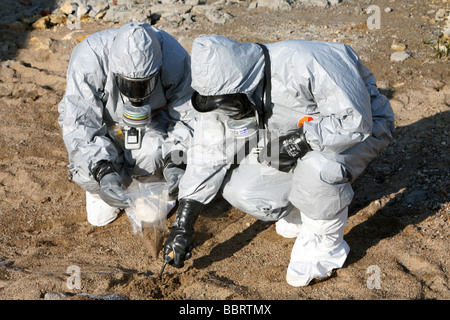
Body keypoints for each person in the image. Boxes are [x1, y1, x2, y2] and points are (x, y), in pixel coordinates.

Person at [163, 35, 395, 287]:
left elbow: (354, 122)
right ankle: (303, 205)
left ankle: (325, 243)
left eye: (231, 103)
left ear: (245, 83)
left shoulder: (307, 61)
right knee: (241, 189)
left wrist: (301, 142)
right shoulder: (219, 90)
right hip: (289, 136)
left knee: (319, 167)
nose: (228, 111)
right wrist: (183, 224)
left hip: (363, 127)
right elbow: (208, 152)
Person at [58, 21, 195, 227]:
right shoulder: (89, 59)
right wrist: (103, 172)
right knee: (99, 217)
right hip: (104, 128)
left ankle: (149, 182)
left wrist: (177, 160)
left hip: (152, 124)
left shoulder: (174, 58)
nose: (136, 93)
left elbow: (187, 116)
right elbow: (79, 124)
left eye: (144, 85)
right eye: (129, 84)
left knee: (151, 160)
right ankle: (107, 183)